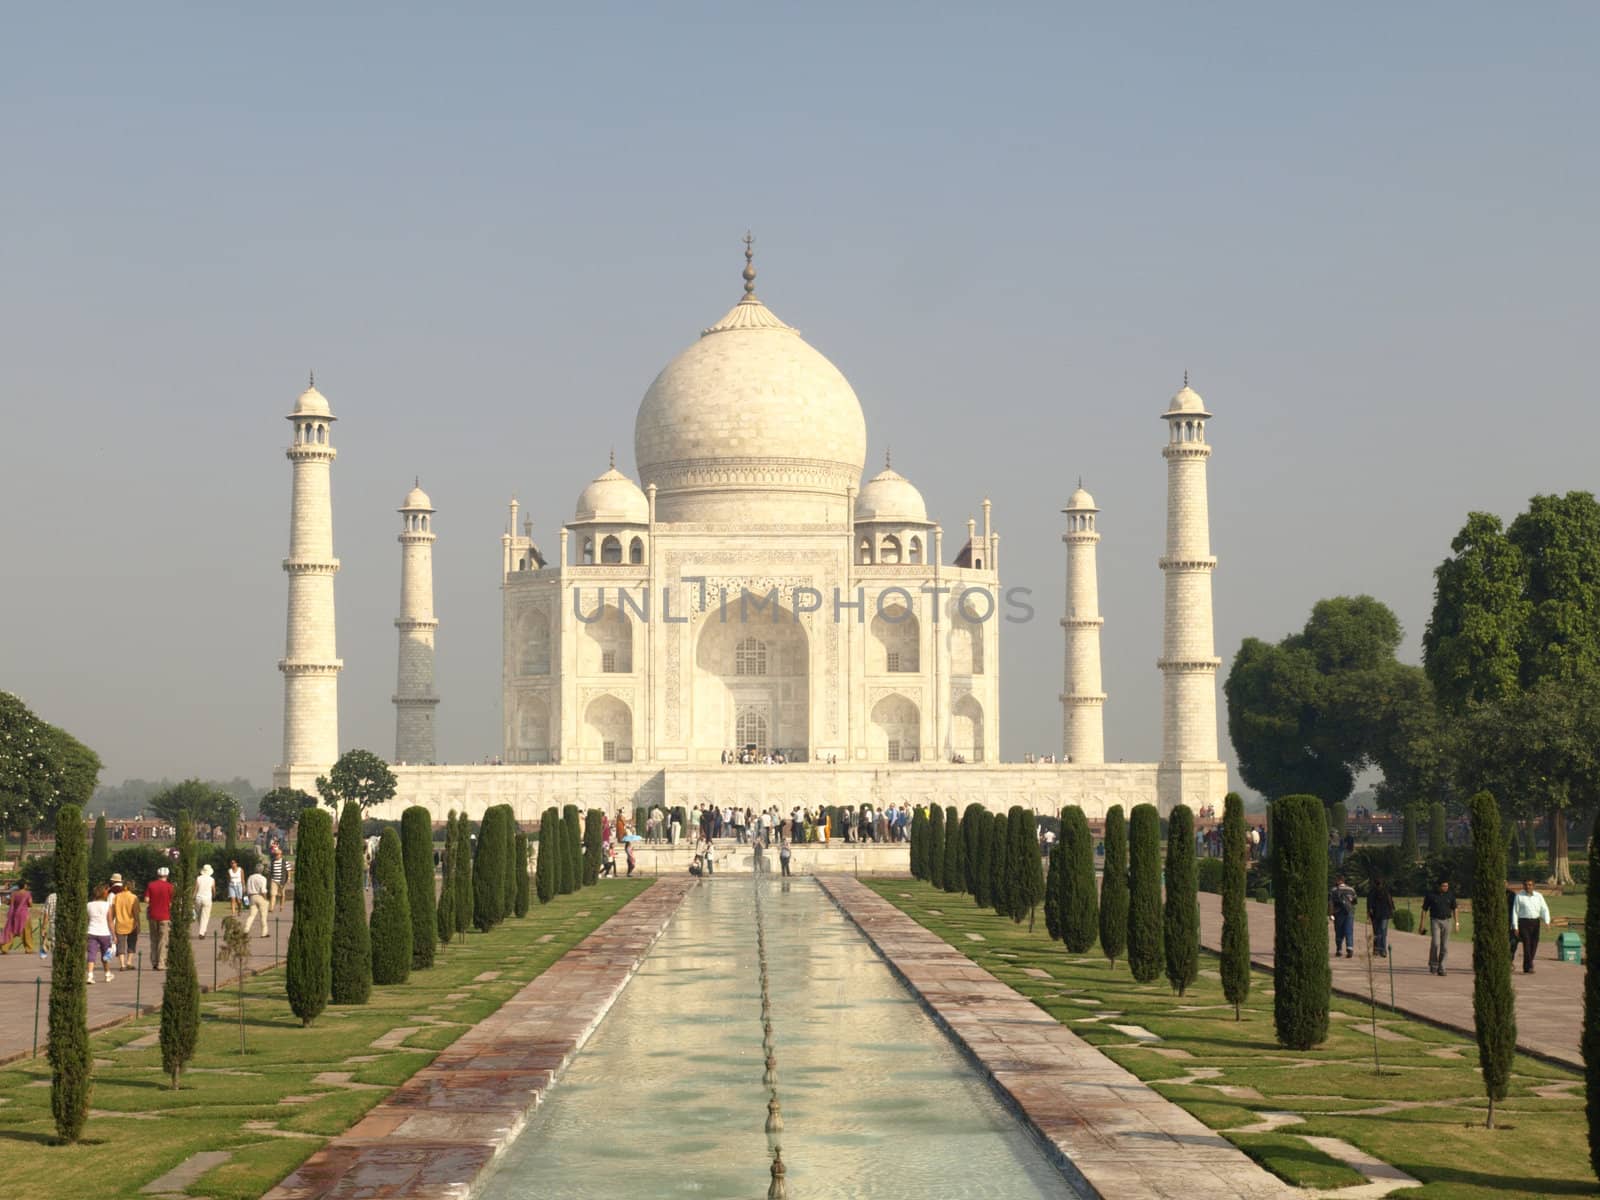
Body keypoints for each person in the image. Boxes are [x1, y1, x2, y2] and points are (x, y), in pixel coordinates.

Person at [1513, 878, 1552, 973]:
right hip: (1523, 922)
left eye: (1530, 885)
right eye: (1526, 885)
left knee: (1534, 944)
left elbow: (1544, 909)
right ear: (1523, 886)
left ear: (1533, 886)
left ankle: (1527, 966)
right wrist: (1515, 927)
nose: (1528, 887)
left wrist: (1547, 921)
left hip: (1535, 923)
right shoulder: (1519, 896)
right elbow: (1515, 912)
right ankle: (1530, 965)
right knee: (1527, 944)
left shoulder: (1539, 896)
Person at [1421, 878, 1459, 976]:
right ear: (1439, 886)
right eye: (1443, 886)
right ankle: (1433, 965)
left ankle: (1442, 967)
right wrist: (1422, 924)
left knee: (1445, 946)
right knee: (1435, 943)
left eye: (1447, 886)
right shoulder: (1431, 895)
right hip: (1435, 920)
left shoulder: (1450, 895)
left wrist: (1457, 923)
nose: (1446, 888)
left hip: (1447, 921)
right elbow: (1424, 910)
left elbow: (1455, 909)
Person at [146, 866, 174, 970]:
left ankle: (154, 961)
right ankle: (161, 963)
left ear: (158, 875)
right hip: (165, 916)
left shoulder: (151, 885)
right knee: (163, 940)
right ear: (167, 875)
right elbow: (172, 902)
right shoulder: (170, 886)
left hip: (153, 915)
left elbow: (146, 899)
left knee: (154, 939)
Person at [110, 874, 140, 969]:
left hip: (119, 924)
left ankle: (122, 964)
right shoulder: (134, 897)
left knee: (120, 945)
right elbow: (136, 913)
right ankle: (129, 962)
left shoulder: (117, 896)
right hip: (131, 924)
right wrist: (138, 924)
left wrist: (111, 922)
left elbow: (113, 912)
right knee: (132, 943)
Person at [86, 884, 115, 983]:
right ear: (104, 893)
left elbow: (87, 920)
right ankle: (107, 974)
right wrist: (114, 935)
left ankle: (90, 975)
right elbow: (110, 921)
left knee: (91, 954)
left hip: (91, 931)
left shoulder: (88, 905)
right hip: (104, 932)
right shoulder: (107, 905)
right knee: (105, 954)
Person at [1329, 875, 1357, 958]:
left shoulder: (1333, 890)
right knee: (1349, 930)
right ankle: (1349, 948)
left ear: (1338, 880)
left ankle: (1339, 949)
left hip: (1338, 913)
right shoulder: (1351, 889)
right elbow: (1355, 901)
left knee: (1339, 931)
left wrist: (1330, 914)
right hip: (1349, 912)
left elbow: (1330, 903)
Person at [0, 883, 33, 954]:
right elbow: (30, 904)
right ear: (24, 886)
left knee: (10, 932)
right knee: (26, 932)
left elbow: (10, 903)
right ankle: (28, 949)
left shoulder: (14, 893)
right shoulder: (27, 893)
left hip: (14, 915)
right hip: (24, 915)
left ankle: (4, 948)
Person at [1367, 878, 1394, 958]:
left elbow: (1390, 902)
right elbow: (1369, 904)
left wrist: (1369, 913)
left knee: (1379, 932)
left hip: (1380, 914)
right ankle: (1380, 949)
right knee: (1381, 932)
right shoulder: (1375, 892)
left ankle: (1379, 949)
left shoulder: (1379, 891)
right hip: (1380, 914)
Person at [243, 866, 270, 937]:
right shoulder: (263, 878)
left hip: (252, 897)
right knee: (263, 916)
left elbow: (247, 889)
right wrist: (266, 899)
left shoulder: (250, 877)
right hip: (260, 896)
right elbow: (263, 891)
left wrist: (247, 900)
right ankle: (264, 933)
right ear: (262, 871)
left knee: (251, 915)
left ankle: (246, 929)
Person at [195, 863, 217, 938]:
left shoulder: (198, 878)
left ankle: (202, 930)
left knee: (199, 915)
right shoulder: (212, 879)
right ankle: (202, 931)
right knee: (205, 916)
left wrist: (193, 897)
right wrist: (214, 895)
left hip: (198, 898)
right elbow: (213, 889)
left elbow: (196, 889)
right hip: (207, 898)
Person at [268, 844, 288, 912]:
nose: (276, 856)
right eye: (275, 855)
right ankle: (271, 908)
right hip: (274, 880)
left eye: (278, 854)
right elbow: (269, 871)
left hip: (282, 880)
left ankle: (281, 906)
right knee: (272, 894)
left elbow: (288, 870)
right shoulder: (272, 862)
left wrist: (289, 878)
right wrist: (269, 879)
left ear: (281, 855)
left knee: (282, 895)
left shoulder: (285, 862)